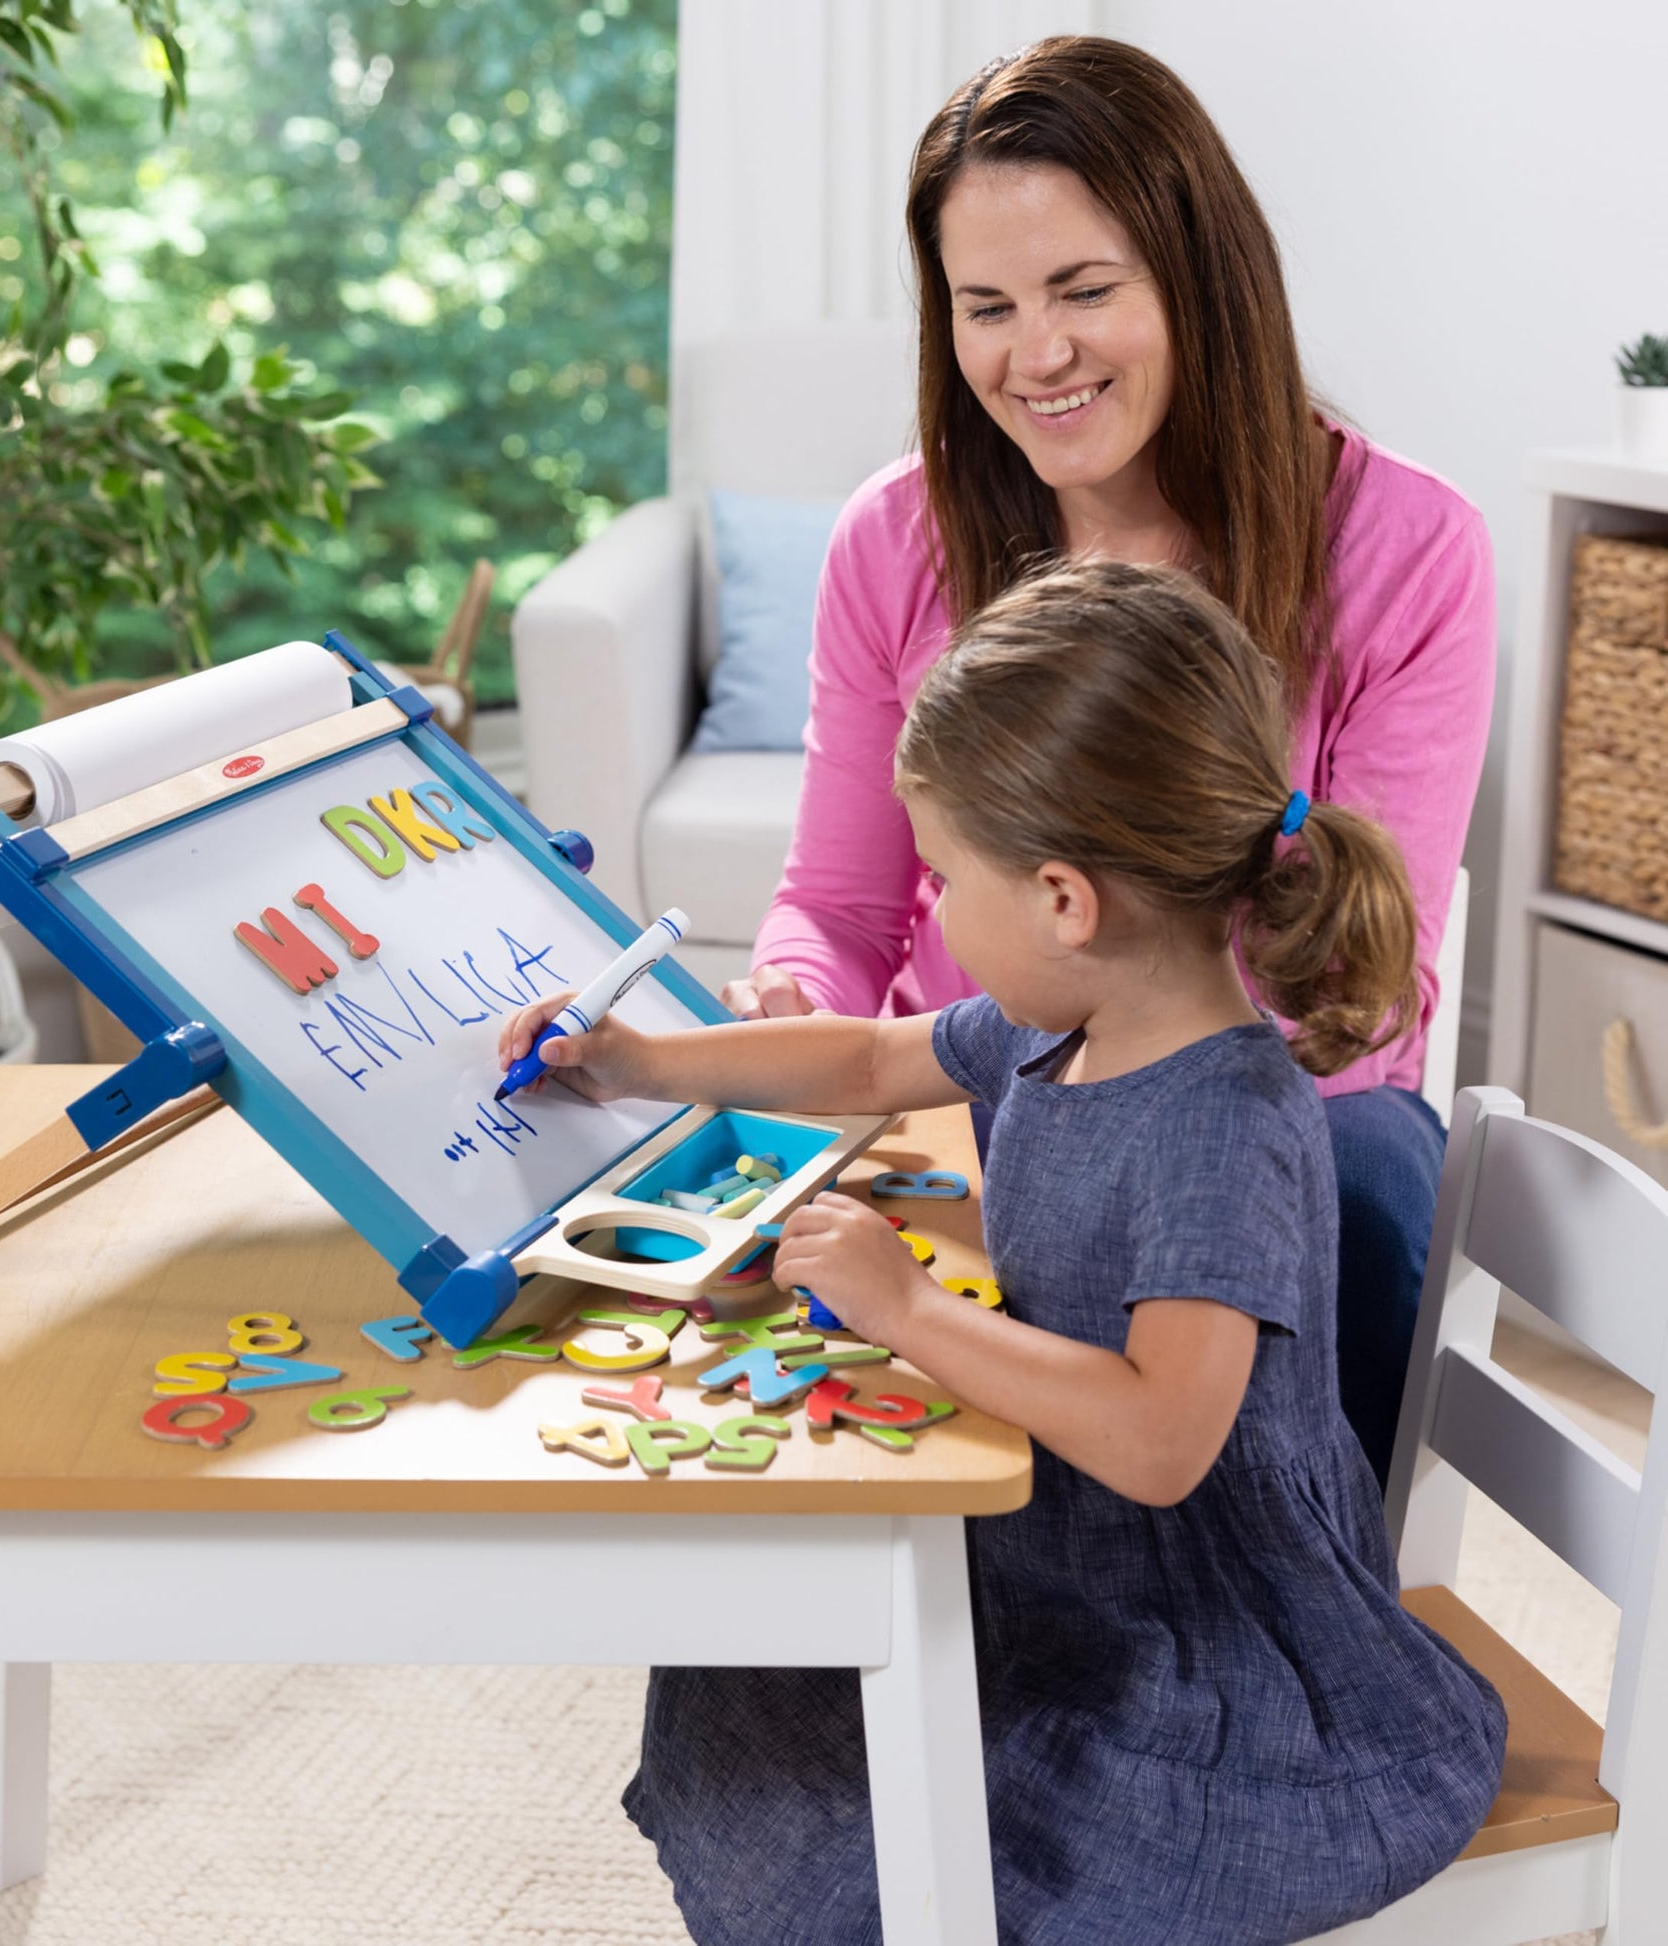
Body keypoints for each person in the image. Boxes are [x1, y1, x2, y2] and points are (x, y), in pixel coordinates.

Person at [498, 561, 1505, 1944]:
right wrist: (643, 1059)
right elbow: (866, 1058)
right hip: (1063, 1549)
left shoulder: (1221, 1125)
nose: (935, 907)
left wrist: (908, 1305)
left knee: (900, 1833)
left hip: (1214, 1653)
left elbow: (1162, 1440)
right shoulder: (1065, 1021)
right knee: (758, 1657)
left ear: (1063, 899)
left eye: (943, 876)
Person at [726, 37, 1494, 1486]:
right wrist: (794, 1001)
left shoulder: (1407, 546)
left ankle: (1288, 1582)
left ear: (1200, 280)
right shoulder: (894, 536)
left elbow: (1361, 987)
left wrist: (1088, 1122)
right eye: (987, 307)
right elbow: (833, 904)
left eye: (1084, 291)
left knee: (1370, 1186)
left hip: (1262, 1115)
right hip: (957, 1101)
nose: (1037, 356)